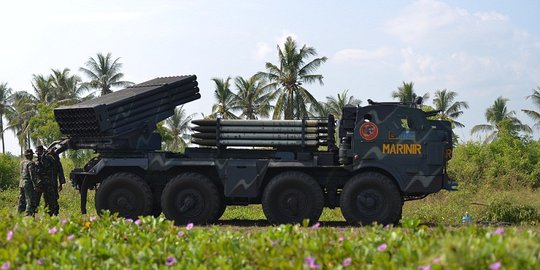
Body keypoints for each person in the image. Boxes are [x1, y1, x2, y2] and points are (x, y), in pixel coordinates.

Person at [35, 145, 61, 216]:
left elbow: (56, 167)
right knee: (41, 200)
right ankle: (46, 214)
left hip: (50, 183)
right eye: (37, 153)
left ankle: (54, 213)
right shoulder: (37, 161)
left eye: (39, 152)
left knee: (52, 200)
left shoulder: (48, 158)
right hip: (41, 184)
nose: (38, 154)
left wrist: (44, 155)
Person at [17, 149, 39, 216]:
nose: (32, 155)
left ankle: (19, 214)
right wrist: (36, 185)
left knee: (21, 200)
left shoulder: (22, 162)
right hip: (28, 183)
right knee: (29, 199)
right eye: (32, 154)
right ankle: (28, 215)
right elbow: (32, 175)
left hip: (21, 182)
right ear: (29, 155)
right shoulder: (31, 163)